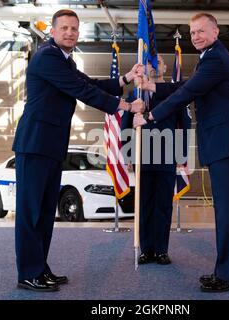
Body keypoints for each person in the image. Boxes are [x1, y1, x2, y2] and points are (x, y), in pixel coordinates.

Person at [12, 9, 144, 292]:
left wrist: (126, 78)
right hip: (35, 145)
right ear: (53, 31)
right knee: (31, 211)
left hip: (50, 146)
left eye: (74, 28)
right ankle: (28, 273)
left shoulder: (64, 60)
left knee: (46, 212)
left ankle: (40, 268)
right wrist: (125, 106)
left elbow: (91, 84)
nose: (70, 33)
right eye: (64, 28)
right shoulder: (48, 57)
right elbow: (83, 92)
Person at [134, 13, 229, 292]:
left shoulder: (214, 58)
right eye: (192, 32)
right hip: (223, 145)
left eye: (201, 31)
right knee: (226, 212)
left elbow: (185, 95)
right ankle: (227, 272)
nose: (196, 36)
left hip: (227, 145)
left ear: (215, 31)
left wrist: (150, 117)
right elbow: (185, 87)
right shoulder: (211, 57)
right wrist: (152, 85)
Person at [123, 55, 190, 265]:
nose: (154, 66)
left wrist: (181, 155)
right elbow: (125, 125)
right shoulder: (135, 93)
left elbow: (184, 125)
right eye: (150, 63)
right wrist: (128, 154)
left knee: (162, 205)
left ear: (165, 66)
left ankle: (161, 250)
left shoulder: (175, 94)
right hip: (143, 157)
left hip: (166, 155)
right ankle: (146, 250)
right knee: (144, 206)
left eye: (157, 62)